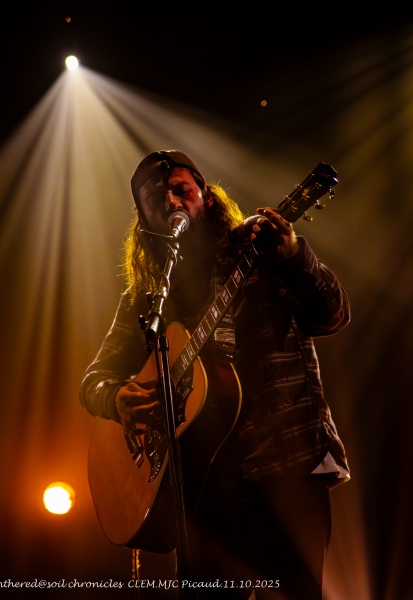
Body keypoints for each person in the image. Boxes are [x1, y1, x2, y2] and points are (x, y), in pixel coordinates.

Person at [79, 150, 351, 599]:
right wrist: (116, 398)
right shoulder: (148, 295)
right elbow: (95, 378)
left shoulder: (259, 247)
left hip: (286, 461)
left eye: (180, 189)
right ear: (143, 217)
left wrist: (294, 256)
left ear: (205, 195)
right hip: (204, 488)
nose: (171, 201)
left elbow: (333, 315)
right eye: (155, 198)